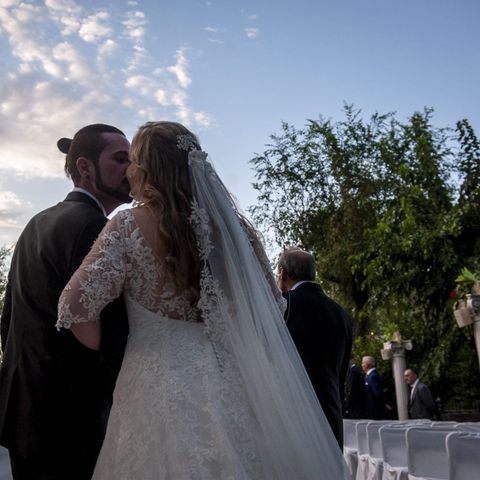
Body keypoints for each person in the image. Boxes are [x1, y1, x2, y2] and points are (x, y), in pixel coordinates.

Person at [57, 121, 348, 479]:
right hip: (233, 381)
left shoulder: (127, 226)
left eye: (134, 160)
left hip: (153, 385)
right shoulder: (236, 230)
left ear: (149, 167)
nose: (129, 170)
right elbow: (274, 308)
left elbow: (73, 306)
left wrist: (118, 348)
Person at [0, 124, 131, 480]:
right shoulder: (93, 227)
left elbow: (9, 320)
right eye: (120, 158)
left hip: (25, 411)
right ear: (85, 167)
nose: (131, 169)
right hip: (70, 415)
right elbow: (111, 332)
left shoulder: (36, 223)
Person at [277, 247, 352, 446]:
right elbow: (343, 374)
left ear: (282, 273)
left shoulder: (283, 305)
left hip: (293, 414)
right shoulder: (341, 313)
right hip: (330, 413)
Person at [362, 355, 386, 419]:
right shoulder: (370, 375)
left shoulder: (373, 376)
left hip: (375, 411)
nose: (362, 365)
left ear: (367, 364)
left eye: (363, 363)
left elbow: (378, 394)